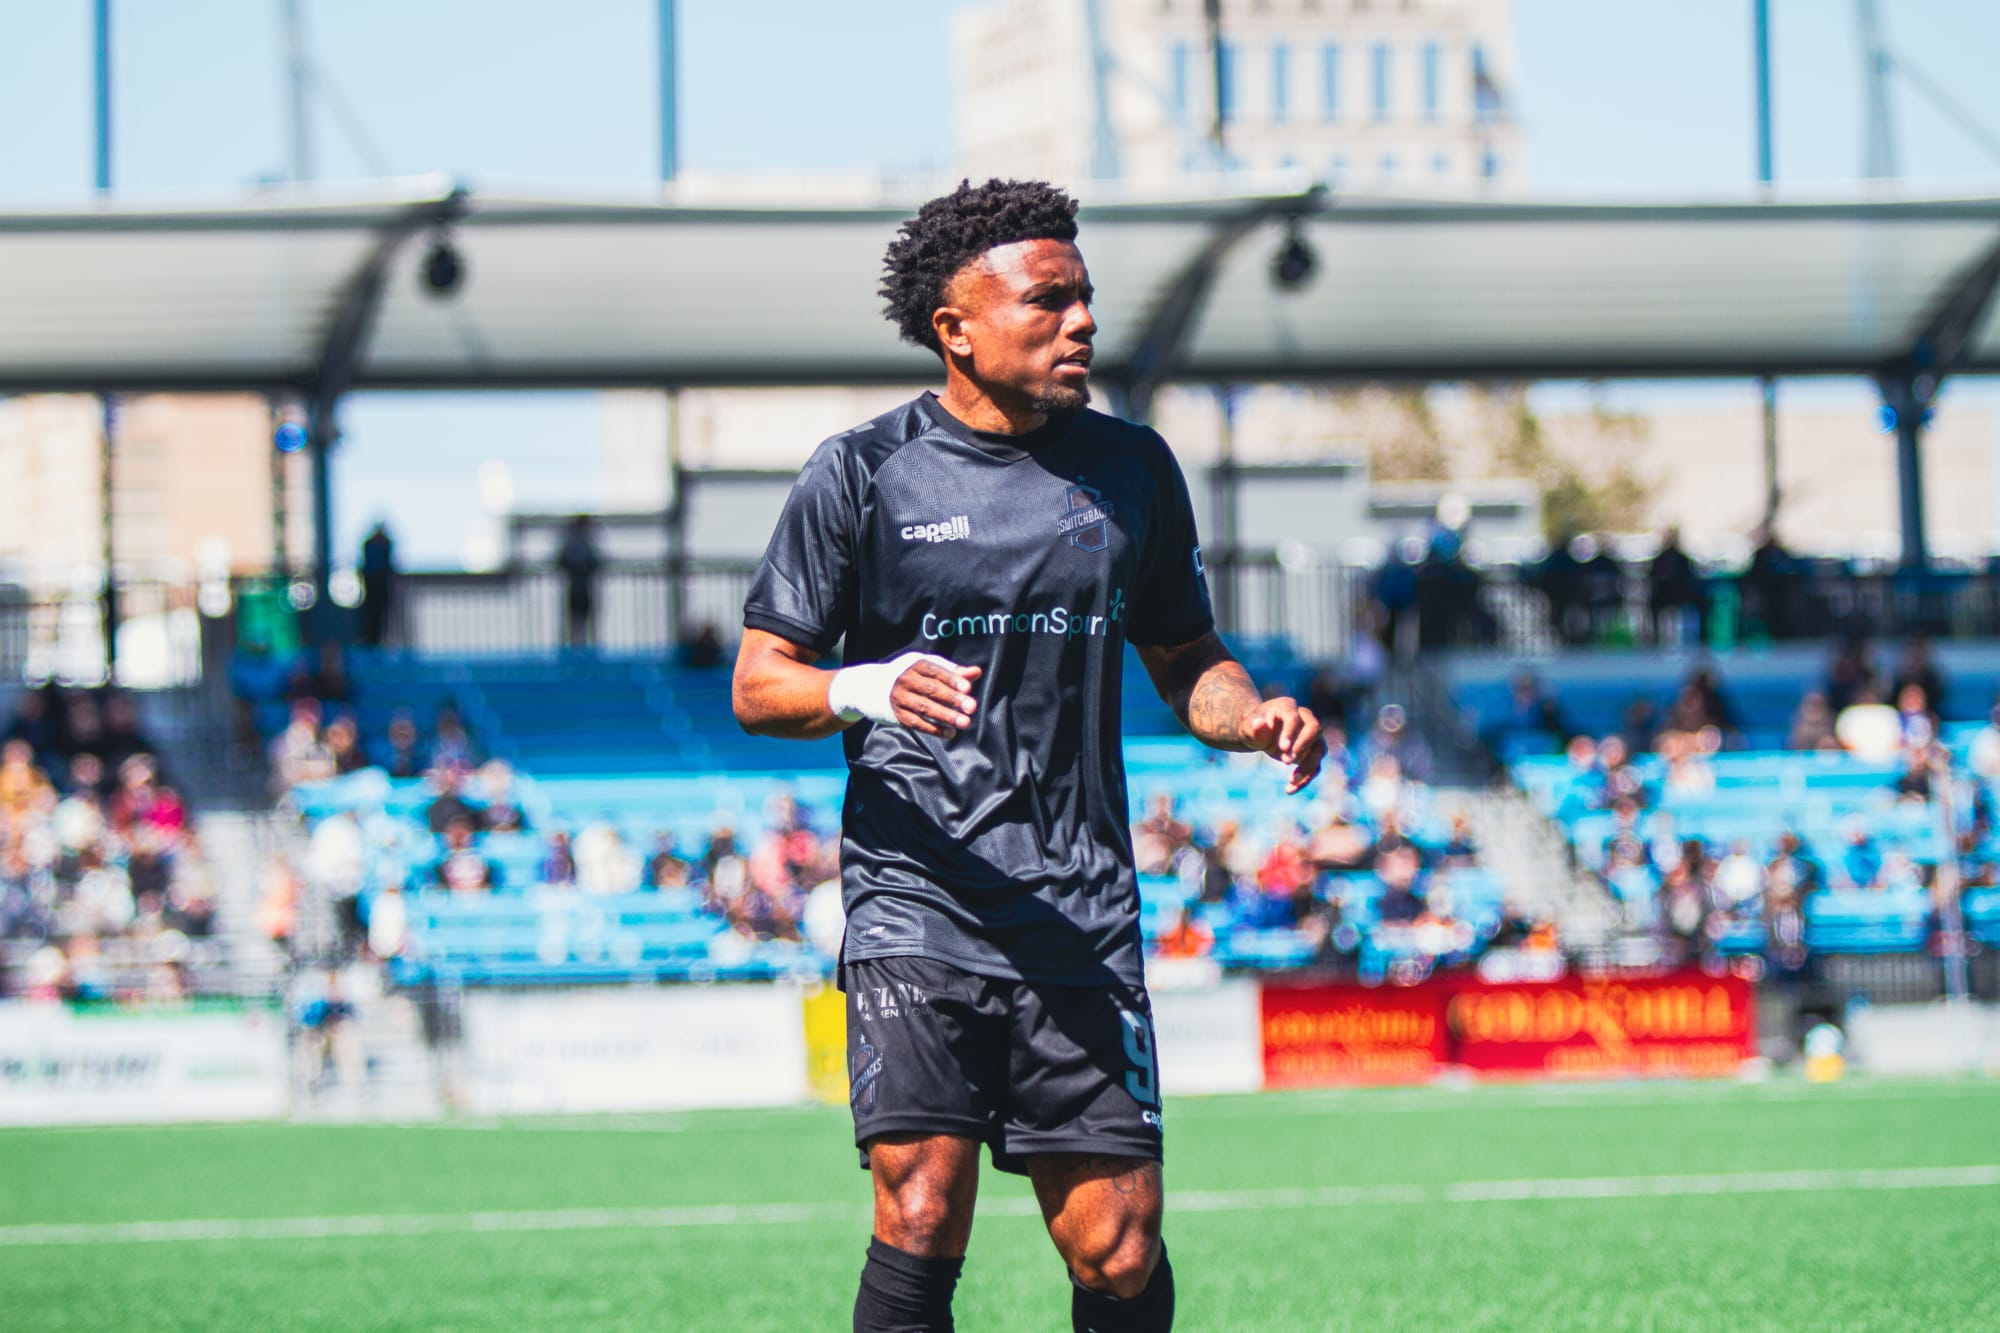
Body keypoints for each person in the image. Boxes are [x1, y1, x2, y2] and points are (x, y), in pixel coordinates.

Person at [731, 179, 1325, 1333]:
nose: (1081, 321)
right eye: (1047, 301)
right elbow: (760, 683)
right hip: (918, 894)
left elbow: (1186, 655)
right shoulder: (860, 471)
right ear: (953, 328)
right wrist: (863, 687)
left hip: (1078, 903)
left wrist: (1248, 714)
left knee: (1117, 1249)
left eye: (1084, 296)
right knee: (919, 1207)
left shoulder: (1134, 468)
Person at [557, 515, 603, 650]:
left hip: (575, 588)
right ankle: (587, 650)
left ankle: (574, 650)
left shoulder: (569, 542)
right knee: (585, 623)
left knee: (574, 624)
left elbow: (560, 562)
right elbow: (596, 563)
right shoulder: (587, 543)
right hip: (583, 589)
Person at [359, 522, 398, 649]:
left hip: (381, 586)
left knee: (381, 615)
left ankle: (379, 641)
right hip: (372, 587)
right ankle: (371, 641)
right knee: (371, 615)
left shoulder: (384, 544)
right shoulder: (371, 545)